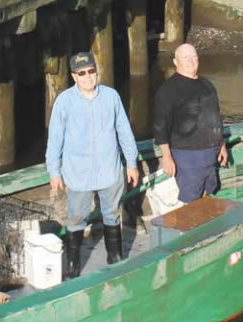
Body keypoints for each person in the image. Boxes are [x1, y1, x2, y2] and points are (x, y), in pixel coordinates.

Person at [46, 52, 139, 278]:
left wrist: (132, 162)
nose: (88, 77)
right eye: (82, 73)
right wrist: (54, 171)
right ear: (74, 76)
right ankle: (73, 265)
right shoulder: (64, 102)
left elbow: (124, 131)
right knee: (76, 218)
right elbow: (55, 138)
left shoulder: (111, 96)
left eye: (91, 71)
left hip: (110, 170)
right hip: (78, 174)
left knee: (112, 214)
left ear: (97, 71)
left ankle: (114, 256)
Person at [153, 43, 228, 203]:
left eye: (193, 56)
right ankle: (190, 227)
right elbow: (160, 127)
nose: (191, 60)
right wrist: (166, 156)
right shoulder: (168, 90)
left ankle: (204, 225)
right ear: (175, 61)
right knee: (191, 200)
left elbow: (215, 116)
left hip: (212, 152)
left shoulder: (207, 85)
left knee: (209, 189)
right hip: (188, 156)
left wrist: (221, 144)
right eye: (185, 57)